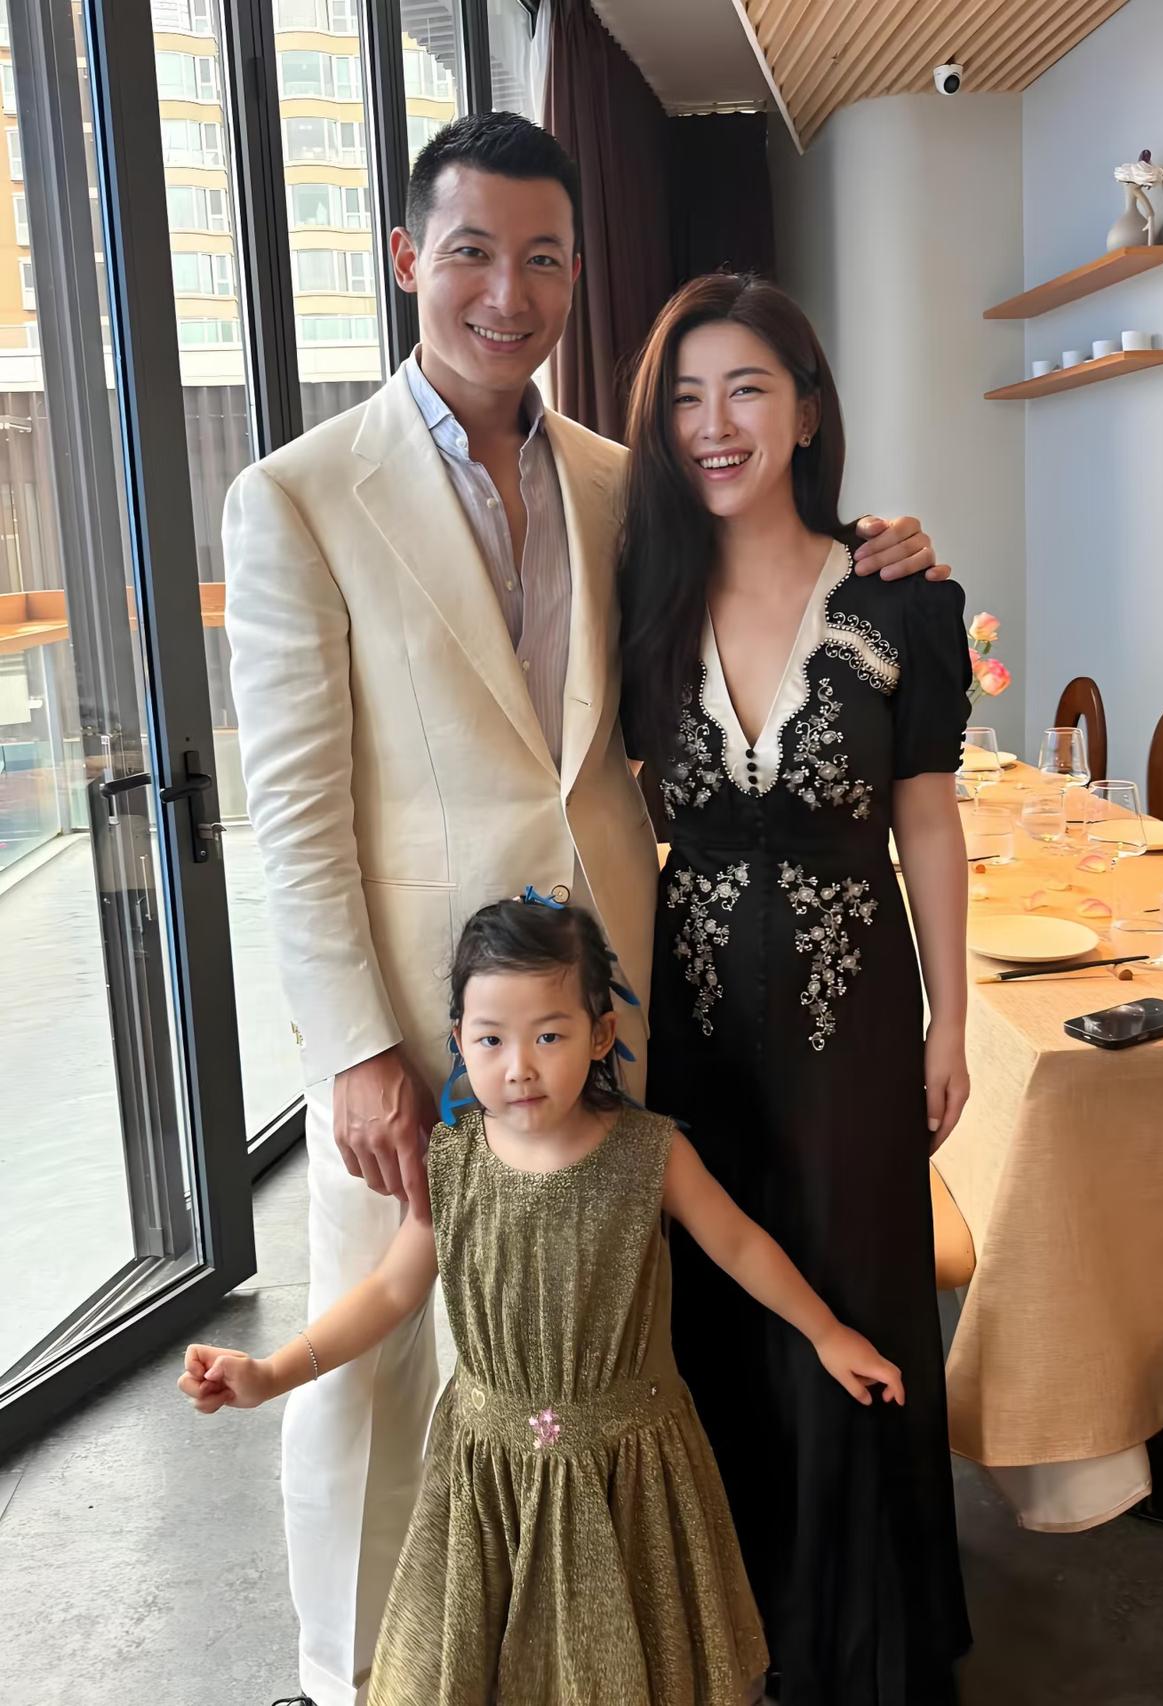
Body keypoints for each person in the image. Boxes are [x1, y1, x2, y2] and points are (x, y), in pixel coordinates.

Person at [222, 108, 948, 1705]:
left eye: (545, 258)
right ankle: (355, 1673)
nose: (510, 292)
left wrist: (886, 547)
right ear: (406, 258)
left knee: (606, 1348)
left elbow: (770, 583)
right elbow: (293, 809)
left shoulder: (629, 484)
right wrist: (352, 1045)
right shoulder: (299, 496)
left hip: (618, 997)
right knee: (385, 1363)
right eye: (472, 252)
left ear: (573, 277)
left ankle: (598, 1648)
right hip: (425, 1020)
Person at [178, 898, 907, 1706]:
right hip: (485, 1484)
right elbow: (389, 1290)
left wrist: (827, 1333)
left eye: (549, 1036)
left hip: (631, 1476)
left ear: (600, 1034)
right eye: (492, 1040)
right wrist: (271, 1373)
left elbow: (737, 1244)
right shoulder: (451, 1163)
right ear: (460, 1039)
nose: (519, 1067)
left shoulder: (652, 1154)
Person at [621, 274, 974, 1705]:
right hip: (692, 1016)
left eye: (747, 389)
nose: (715, 424)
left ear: (808, 409)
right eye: (686, 398)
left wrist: (953, 1015)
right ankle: (735, 1630)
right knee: (715, 1300)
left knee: (850, 1287)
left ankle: (862, 1652)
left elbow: (926, 816)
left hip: (854, 1013)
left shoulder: (903, 597)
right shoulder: (640, 594)